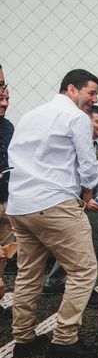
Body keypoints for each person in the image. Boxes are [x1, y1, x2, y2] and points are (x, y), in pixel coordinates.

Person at [8, 69, 98, 358]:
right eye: (91, 93)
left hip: (20, 206)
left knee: (28, 273)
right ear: (71, 89)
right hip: (54, 203)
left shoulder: (29, 115)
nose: (94, 99)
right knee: (84, 270)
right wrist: (87, 191)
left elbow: (15, 154)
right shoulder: (75, 118)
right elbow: (88, 166)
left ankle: (23, 340)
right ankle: (64, 338)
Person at [42, 106, 98, 307]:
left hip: (86, 202)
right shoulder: (70, 143)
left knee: (72, 245)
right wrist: (83, 199)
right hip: (65, 201)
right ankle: (84, 291)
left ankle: (54, 282)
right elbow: (67, 173)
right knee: (80, 248)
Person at [0, 67, 15, 298]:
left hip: (7, 200)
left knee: (3, 253)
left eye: (6, 98)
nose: (4, 103)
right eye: (0, 98)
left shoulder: (8, 126)